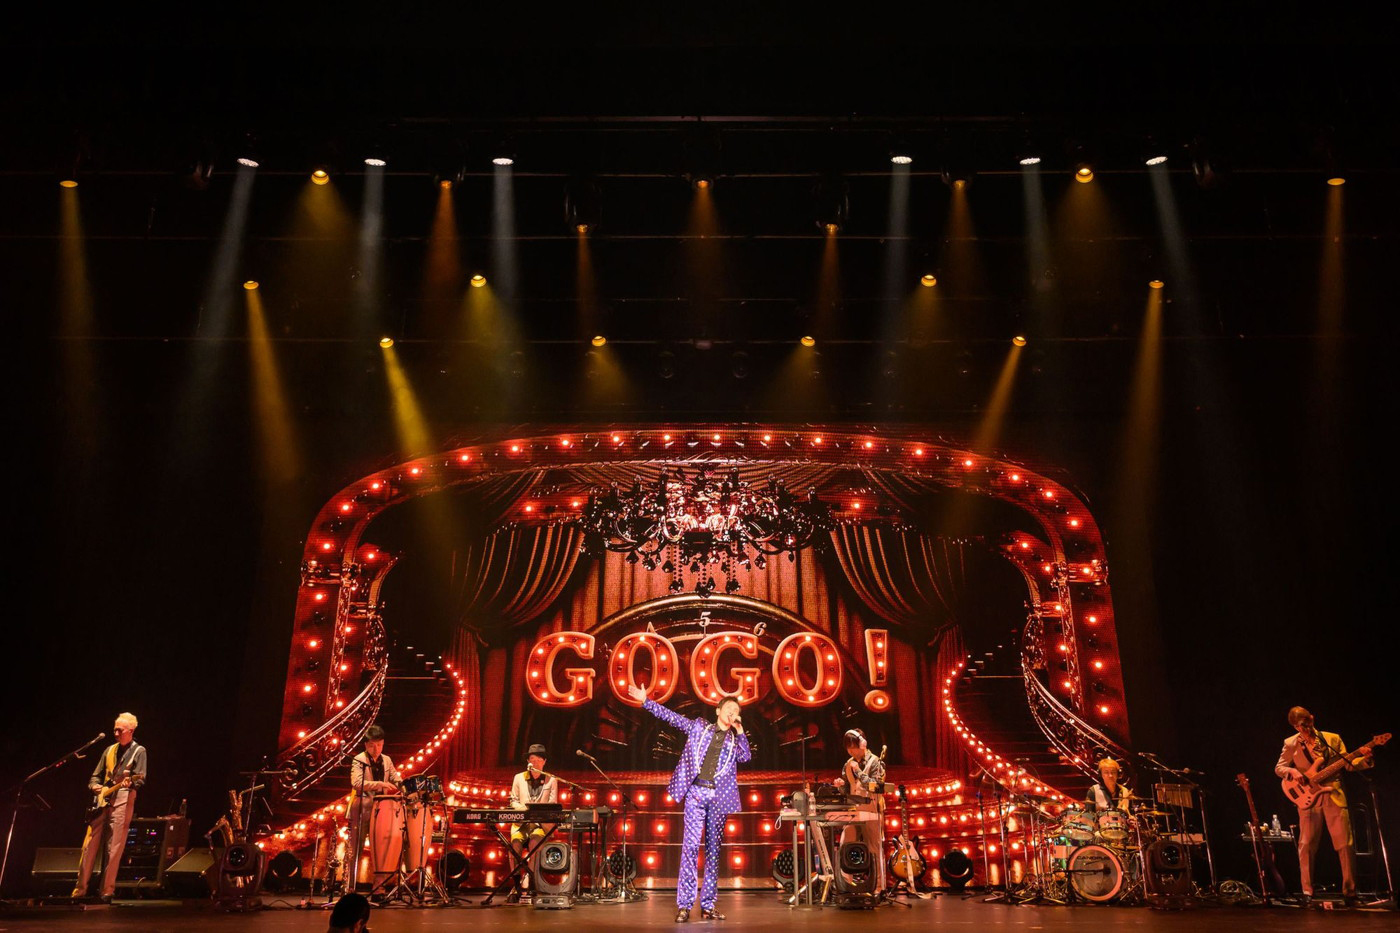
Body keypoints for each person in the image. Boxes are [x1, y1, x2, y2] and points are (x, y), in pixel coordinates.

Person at [628, 684, 750, 922]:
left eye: (736, 710)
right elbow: (672, 718)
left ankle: (708, 905)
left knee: (713, 852)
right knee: (691, 848)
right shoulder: (699, 727)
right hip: (696, 793)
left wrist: (740, 731)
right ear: (718, 711)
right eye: (728, 708)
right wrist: (646, 702)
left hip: (719, 798)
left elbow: (745, 757)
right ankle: (684, 905)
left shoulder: (734, 741)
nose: (732, 712)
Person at [1274, 706, 1373, 906]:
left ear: (1312, 718)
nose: (1305, 729)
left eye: (1307, 723)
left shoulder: (1332, 739)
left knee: (1345, 844)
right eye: (1300, 726)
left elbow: (1348, 764)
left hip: (1333, 793)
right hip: (1308, 797)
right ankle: (1307, 891)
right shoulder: (1290, 743)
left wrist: (1365, 759)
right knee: (1306, 845)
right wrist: (1293, 772)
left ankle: (1350, 893)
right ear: (1295, 726)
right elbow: (1279, 768)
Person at [73, 712, 147, 901]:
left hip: (123, 799)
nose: (116, 733)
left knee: (114, 847)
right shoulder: (109, 750)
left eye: (120, 730)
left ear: (131, 730)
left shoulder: (139, 751)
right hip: (102, 800)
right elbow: (95, 776)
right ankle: (80, 890)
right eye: (115, 729)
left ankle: (107, 891)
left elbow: (140, 779)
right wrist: (94, 786)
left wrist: (130, 783)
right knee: (89, 845)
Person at [348, 725, 401, 890]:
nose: (376, 749)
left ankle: (379, 885)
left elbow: (395, 777)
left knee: (381, 849)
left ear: (383, 743)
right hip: (362, 808)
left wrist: (404, 785)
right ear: (366, 745)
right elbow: (357, 783)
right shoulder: (359, 759)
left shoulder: (387, 760)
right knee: (356, 848)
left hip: (381, 810)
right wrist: (380, 784)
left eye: (379, 745)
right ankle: (350, 886)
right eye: (372, 745)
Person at [833, 728, 886, 891]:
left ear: (862, 744)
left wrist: (858, 771)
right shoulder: (848, 764)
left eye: (853, 746)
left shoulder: (875, 762)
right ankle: (845, 884)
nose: (850, 751)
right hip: (854, 809)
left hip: (872, 808)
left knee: (874, 847)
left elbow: (876, 786)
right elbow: (848, 790)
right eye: (848, 747)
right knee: (846, 841)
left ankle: (878, 886)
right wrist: (840, 786)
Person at [506, 743, 558, 903]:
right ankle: (516, 885)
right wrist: (523, 809)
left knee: (535, 843)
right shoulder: (519, 778)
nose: (534, 763)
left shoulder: (551, 780)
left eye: (538, 760)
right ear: (528, 761)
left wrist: (538, 813)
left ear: (544, 761)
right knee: (514, 845)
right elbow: (513, 800)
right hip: (521, 823)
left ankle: (532, 883)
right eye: (532, 759)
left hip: (539, 825)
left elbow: (553, 804)